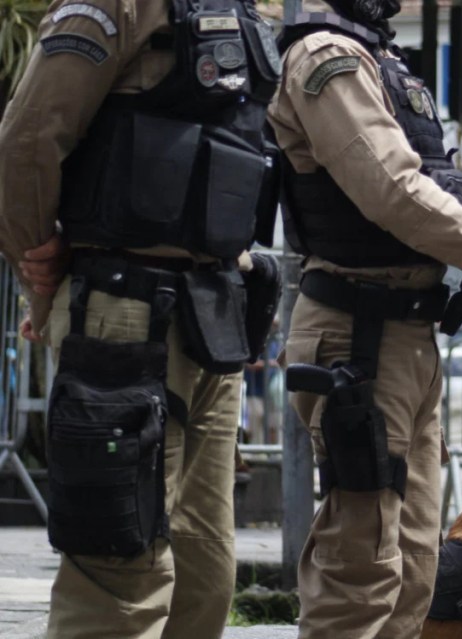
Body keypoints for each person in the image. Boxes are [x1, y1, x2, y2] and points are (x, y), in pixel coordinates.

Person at [0, 1, 281, 637]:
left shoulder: (238, 9)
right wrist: (40, 272)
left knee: (203, 577)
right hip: (124, 311)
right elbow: (25, 142)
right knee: (118, 575)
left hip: (211, 312)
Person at [269, 1, 462, 636]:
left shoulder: (381, 60)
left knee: (413, 570)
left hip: (406, 334)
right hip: (357, 336)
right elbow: (393, 189)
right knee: (361, 568)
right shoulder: (326, 57)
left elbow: (435, 182)